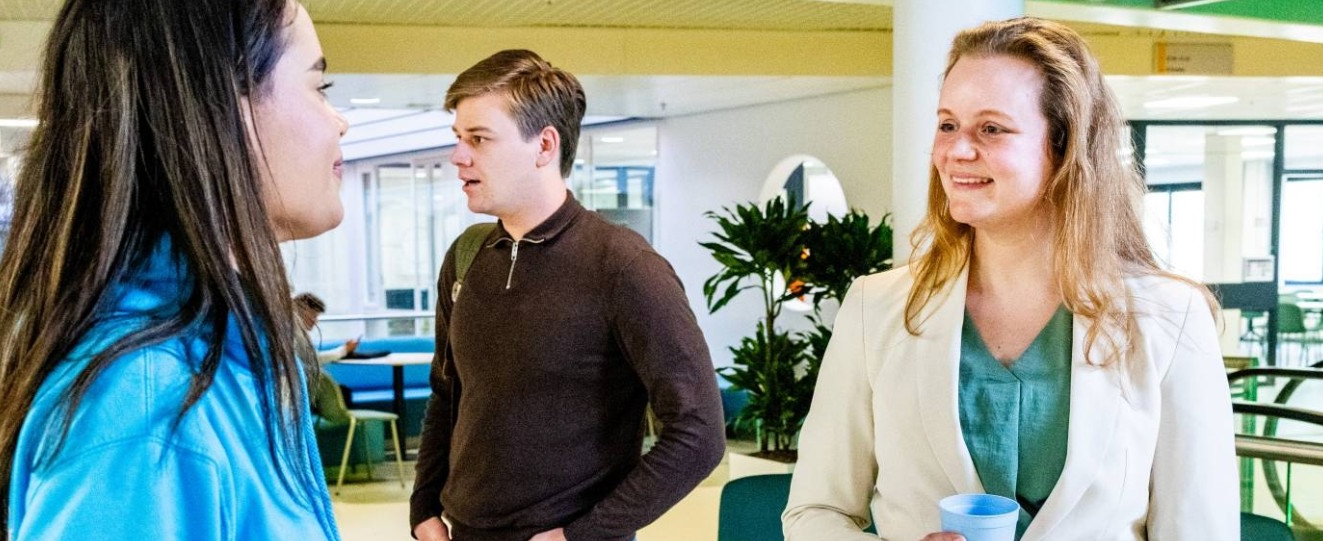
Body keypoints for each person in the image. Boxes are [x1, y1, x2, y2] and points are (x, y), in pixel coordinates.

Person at [782, 18, 1238, 541]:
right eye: (948, 125)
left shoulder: (1168, 318)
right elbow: (816, 511)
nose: (956, 151)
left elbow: (1201, 531)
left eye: (991, 128)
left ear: (1064, 148)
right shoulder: (876, 307)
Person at [0, 0, 349, 539]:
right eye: (319, 88)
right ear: (221, 106)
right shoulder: (148, 411)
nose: (340, 122)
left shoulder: (207, 361)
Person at [410, 49, 726, 541]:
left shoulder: (624, 267)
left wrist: (581, 536)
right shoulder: (467, 256)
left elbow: (699, 434)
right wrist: (423, 507)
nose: (458, 156)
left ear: (544, 145)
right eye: (458, 138)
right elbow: (448, 392)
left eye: (479, 139)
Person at [295, 292, 358, 363]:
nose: (315, 321)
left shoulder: (299, 332)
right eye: (314, 315)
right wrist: (344, 350)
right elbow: (315, 359)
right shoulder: (296, 333)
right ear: (302, 311)